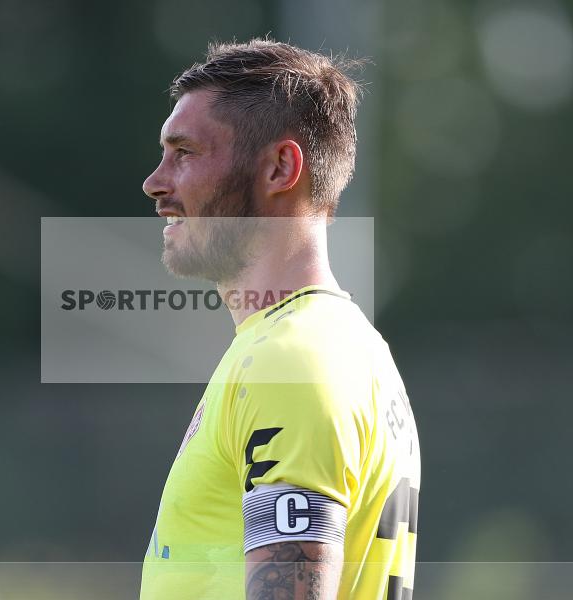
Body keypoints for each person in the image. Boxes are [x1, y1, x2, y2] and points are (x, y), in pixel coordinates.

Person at [140, 39, 420, 600]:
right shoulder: (342, 346)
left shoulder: (291, 356)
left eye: (186, 153)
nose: (156, 182)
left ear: (280, 167)